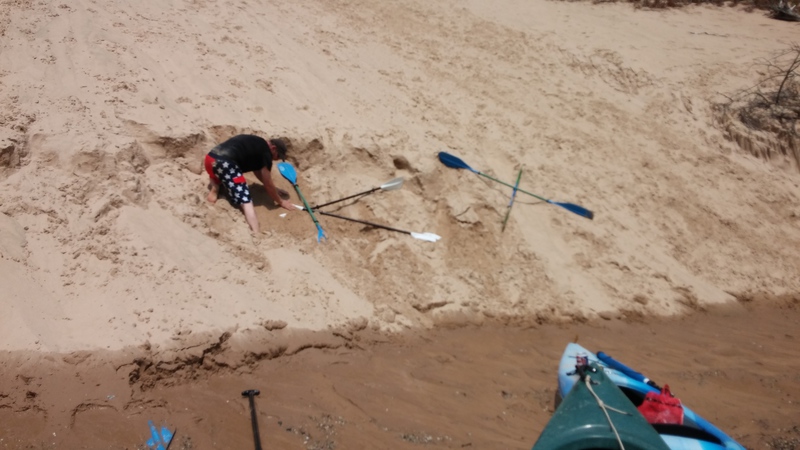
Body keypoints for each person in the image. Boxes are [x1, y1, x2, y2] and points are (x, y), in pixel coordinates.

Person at [203, 134, 295, 233]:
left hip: (210, 159)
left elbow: (258, 171)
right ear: (273, 148)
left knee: (220, 172)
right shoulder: (266, 154)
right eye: (277, 156)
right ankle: (256, 231)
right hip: (226, 164)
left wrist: (275, 189)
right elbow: (268, 182)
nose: (275, 159)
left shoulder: (257, 143)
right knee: (246, 201)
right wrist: (281, 202)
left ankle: (215, 186)